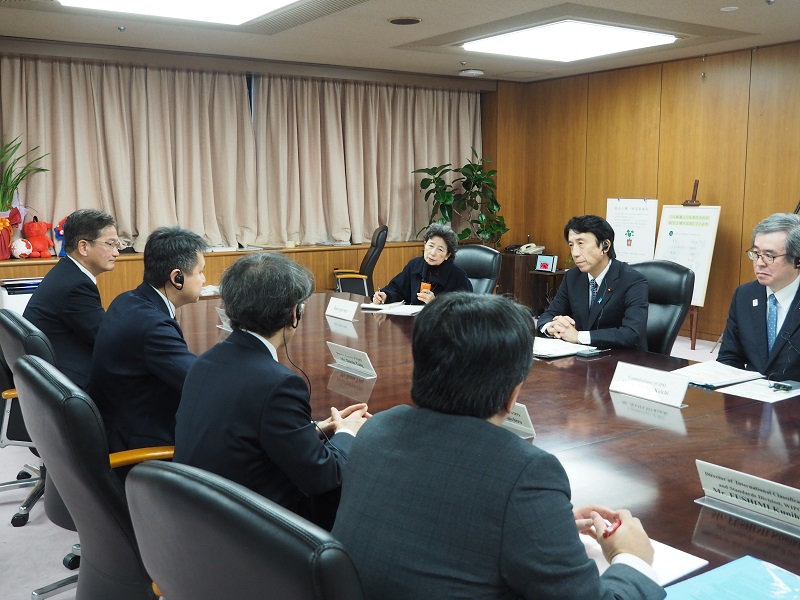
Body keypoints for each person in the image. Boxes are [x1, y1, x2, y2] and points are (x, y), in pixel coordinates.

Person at [332, 292, 663, 599]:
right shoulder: (525, 473)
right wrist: (630, 557)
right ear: (512, 395)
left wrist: (540, 524)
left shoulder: (376, 429)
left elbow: (431, 520)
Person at [174, 252, 369, 529]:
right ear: (294, 314)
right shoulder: (278, 384)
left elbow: (243, 434)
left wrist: (314, 430)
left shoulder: (205, 361)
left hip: (196, 520)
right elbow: (322, 476)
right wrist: (349, 432)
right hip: (254, 534)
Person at [89, 227, 208, 452]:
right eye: (200, 271)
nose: (204, 279)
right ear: (177, 278)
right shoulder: (153, 327)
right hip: (141, 445)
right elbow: (200, 384)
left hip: (120, 424)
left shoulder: (127, 300)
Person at [23, 209, 119, 390]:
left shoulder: (68, 271)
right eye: (110, 244)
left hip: (49, 366)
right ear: (83, 247)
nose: (116, 253)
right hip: (65, 381)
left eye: (117, 245)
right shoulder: (76, 286)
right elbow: (107, 339)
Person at [537, 215, 648, 349]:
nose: (575, 253)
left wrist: (578, 337)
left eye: (581, 244)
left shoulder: (632, 280)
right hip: (583, 358)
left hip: (622, 361)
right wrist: (552, 327)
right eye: (571, 245)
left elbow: (632, 333)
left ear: (605, 246)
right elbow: (548, 315)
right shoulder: (573, 277)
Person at [718, 213, 800, 381]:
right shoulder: (744, 295)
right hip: (751, 399)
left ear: (797, 260)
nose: (759, 263)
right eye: (756, 253)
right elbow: (729, 357)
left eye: (770, 256)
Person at [371, 223, 472, 305]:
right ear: (425, 245)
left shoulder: (457, 275)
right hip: (413, 323)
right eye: (431, 246)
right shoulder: (415, 265)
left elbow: (466, 307)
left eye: (440, 249)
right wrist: (385, 295)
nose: (433, 253)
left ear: (447, 255)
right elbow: (397, 288)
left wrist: (436, 301)